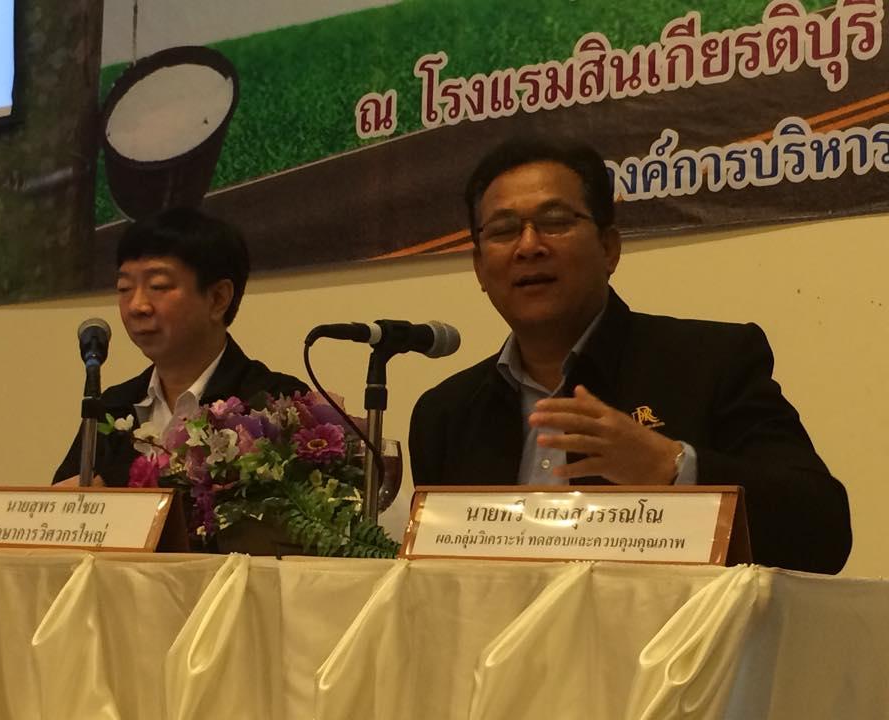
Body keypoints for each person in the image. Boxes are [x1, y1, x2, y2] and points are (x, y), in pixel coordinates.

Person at [408, 137, 852, 574]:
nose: (529, 246)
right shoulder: (445, 415)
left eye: (555, 222)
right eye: (504, 231)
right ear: (479, 268)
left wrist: (672, 468)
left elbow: (823, 532)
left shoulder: (711, 362)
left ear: (609, 249)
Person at [54, 207, 307, 486]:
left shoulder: (276, 405)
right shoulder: (111, 407)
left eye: (158, 286)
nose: (137, 306)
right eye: (124, 288)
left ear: (218, 298)